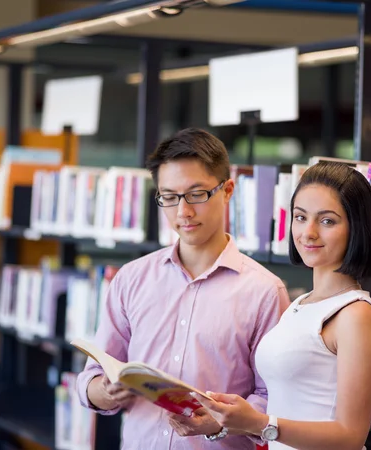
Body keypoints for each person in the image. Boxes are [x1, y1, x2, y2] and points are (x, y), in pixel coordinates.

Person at [75, 128, 290, 449]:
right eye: (170, 197)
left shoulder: (265, 291)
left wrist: (221, 421)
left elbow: (274, 399)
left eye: (197, 194)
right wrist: (105, 392)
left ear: (228, 190)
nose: (183, 212)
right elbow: (93, 374)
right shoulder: (131, 279)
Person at [192, 161, 371, 450]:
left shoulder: (356, 314)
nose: (308, 232)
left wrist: (259, 423)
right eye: (300, 217)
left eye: (327, 220)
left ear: (356, 228)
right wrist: (226, 420)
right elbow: (289, 409)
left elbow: (350, 436)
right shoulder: (300, 304)